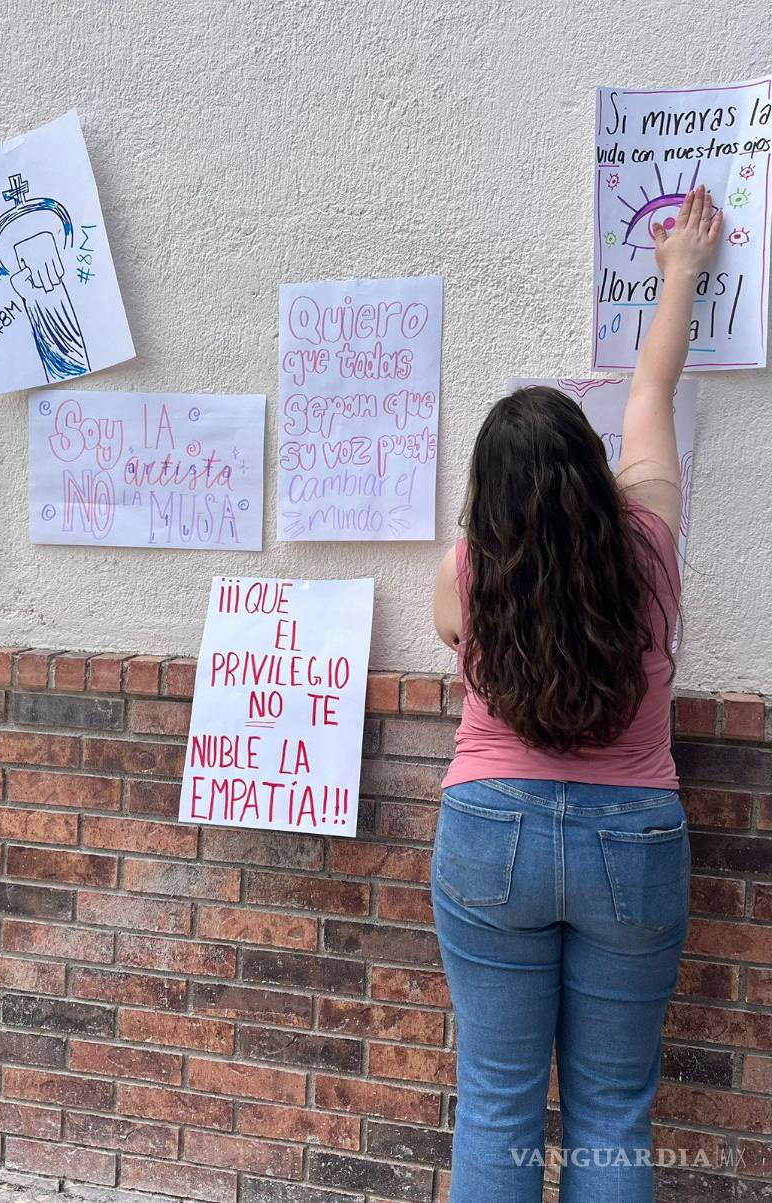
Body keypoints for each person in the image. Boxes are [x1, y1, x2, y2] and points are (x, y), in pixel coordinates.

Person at [430, 184, 722, 1202]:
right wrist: (679, 267)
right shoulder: (650, 546)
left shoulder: (472, 565)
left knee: (499, 1102)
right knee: (610, 1115)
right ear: (595, 469)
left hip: (488, 830)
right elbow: (652, 384)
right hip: (632, 843)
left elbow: (452, 624)